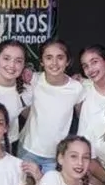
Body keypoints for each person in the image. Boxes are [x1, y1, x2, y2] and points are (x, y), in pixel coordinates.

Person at [17, 39, 85, 173]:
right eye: (48, 58)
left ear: (67, 61)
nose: (54, 63)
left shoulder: (76, 88)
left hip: (56, 156)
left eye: (60, 57)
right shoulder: (33, 80)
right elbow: (22, 108)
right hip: (28, 150)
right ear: (41, 62)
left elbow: (83, 118)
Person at [76, 44, 105, 144]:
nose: (90, 69)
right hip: (86, 149)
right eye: (85, 66)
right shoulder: (82, 88)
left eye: (94, 62)